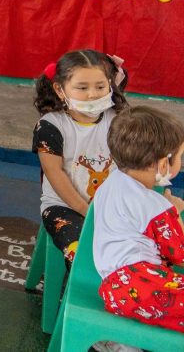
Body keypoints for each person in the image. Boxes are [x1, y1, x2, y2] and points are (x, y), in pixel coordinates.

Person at [31, 50, 128, 268]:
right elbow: (54, 173)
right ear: (60, 89)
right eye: (82, 88)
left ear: (110, 85)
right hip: (63, 207)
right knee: (84, 254)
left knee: (142, 245)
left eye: (100, 87)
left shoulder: (116, 119)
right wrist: (88, 212)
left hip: (110, 204)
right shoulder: (50, 126)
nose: (93, 95)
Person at [94, 106, 184, 336]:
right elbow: (180, 253)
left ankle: (122, 344)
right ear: (163, 165)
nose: (181, 163)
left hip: (113, 291)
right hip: (142, 287)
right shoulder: (154, 205)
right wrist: (175, 213)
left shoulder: (111, 182)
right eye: (180, 157)